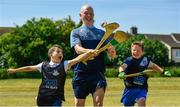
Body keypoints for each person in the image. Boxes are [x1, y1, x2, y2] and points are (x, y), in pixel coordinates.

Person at [7, 44, 95, 106]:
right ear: (51, 55)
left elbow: (77, 59)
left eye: (62, 52)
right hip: (42, 98)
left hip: (56, 99)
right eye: (58, 52)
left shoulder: (64, 65)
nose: (61, 53)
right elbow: (29, 68)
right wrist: (15, 70)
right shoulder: (43, 65)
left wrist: (88, 53)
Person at [70, 4, 116, 106]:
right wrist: (89, 51)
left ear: (94, 15)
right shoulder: (75, 32)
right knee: (79, 105)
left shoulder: (102, 33)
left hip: (98, 74)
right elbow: (77, 49)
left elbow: (112, 54)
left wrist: (112, 51)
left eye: (91, 13)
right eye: (86, 13)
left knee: (99, 104)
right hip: (81, 73)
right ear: (80, 14)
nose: (88, 15)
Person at [118, 41, 166, 106]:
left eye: (138, 50)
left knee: (142, 101)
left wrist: (163, 71)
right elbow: (122, 67)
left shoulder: (145, 60)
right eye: (134, 50)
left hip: (142, 88)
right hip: (130, 88)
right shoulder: (129, 60)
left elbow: (154, 66)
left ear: (142, 52)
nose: (136, 52)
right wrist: (121, 72)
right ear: (131, 50)